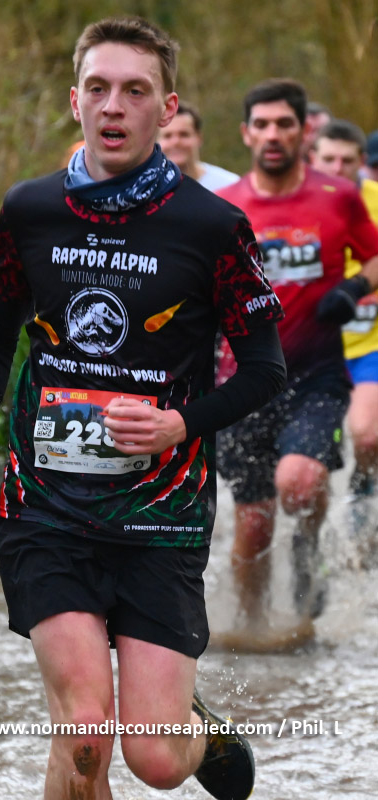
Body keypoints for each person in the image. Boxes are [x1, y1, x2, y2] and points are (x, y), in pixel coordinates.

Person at [0, 17, 287, 799]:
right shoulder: (31, 210)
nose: (114, 105)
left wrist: (178, 424)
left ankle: (192, 730)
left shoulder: (213, 226)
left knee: (156, 761)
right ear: (75, 100)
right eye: (98, 88)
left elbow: (266, 371)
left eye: (135, 91)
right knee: (83, 738)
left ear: (166, 108)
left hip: (160, 514)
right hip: (45, 505)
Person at [216, 79, 378, 627]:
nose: (272, 135)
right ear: (245, 133)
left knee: (299, 483)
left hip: (316, 374)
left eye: (284, 124)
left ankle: (309, 543)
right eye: (261, 125)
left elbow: (375, 255)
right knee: (254, 521)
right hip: (240, 380)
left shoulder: (338, 196)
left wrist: (354, 288)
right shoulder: (225, 206)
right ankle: (253, 632)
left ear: (304, 131)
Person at [310, 119, 378, 506]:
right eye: (328, 159)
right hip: (313, 349)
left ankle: (363, 486)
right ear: (312, 159)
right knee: (302, 463)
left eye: (347, 161)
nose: (337, 169)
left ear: (362, 161)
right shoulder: (297, 201)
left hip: (370, 344)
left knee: (366, 435)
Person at [158, 101, 239, 191]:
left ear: (199, 138)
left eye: (184, 134)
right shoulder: (147, 189)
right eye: (168, 136)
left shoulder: (230, 186)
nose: (176, 142)